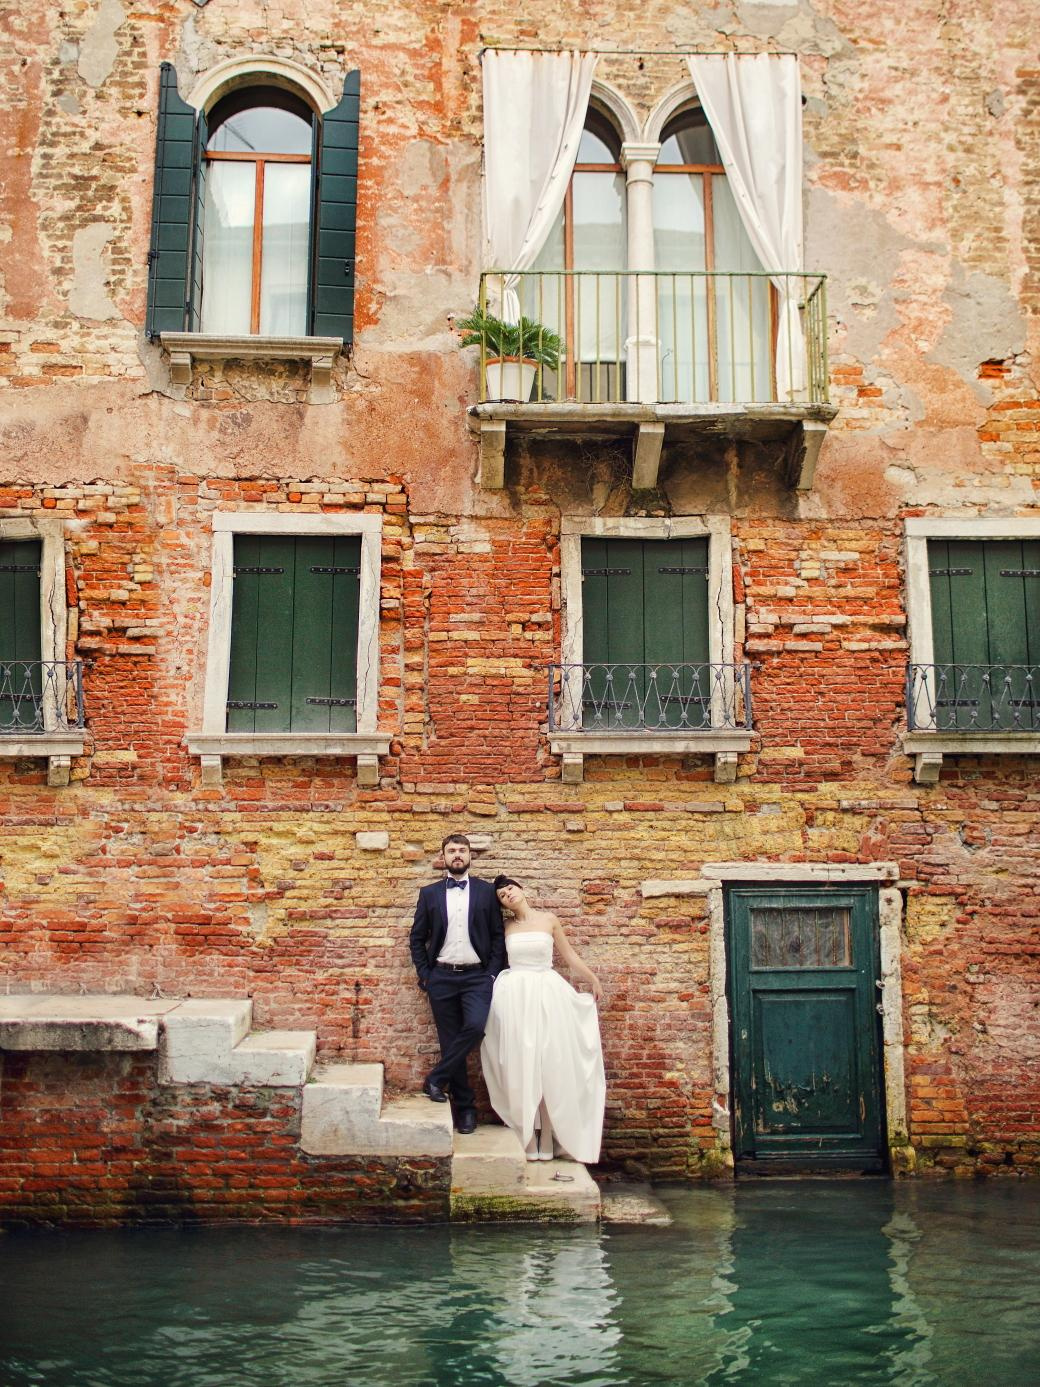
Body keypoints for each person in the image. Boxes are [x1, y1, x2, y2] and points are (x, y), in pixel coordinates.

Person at [481, 875, 605, 1164]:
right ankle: (526, 1134)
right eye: (501, 895)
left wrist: (592, 979)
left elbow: (569, 955)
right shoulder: (506, 927)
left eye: (510, 888)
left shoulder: (549, 919)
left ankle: (547, 1137)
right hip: (514, 996)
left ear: (521, 889)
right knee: (522, 1064)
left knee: (549, 1063)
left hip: (548, 993)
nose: (507, 894)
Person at [409, 832, 506, 1135]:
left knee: (476, 1027)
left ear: (470, 856)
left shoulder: (486, 892)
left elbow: (497, 937)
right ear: (444, 857)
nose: (457, 855)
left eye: (462, 850)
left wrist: (491, 973)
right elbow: (416, 938)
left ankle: (436, 1078)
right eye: (452, 851)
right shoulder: (429, 894)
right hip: (441, 977)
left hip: (477, 977)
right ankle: (465, 1110)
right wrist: (426, 974)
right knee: (451, 1043)